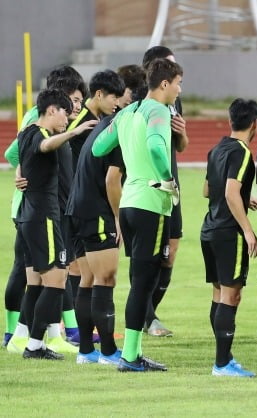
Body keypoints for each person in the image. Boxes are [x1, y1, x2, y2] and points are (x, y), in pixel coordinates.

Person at [92, 58, 183, 372]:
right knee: (143, 283)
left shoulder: (127, 112)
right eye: (177, 83)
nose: (179, 90)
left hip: (129, 202)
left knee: (139, 280)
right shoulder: (157, 110)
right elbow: (158, 147)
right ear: (163, 84)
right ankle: (130, 357)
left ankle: (132, 354)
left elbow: (98, 148)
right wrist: (166, 181)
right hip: (151, 203)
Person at [6, 67, 93, 352]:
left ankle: (23, 338)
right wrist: (75, 132)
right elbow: (46, 145)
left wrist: (21, 170)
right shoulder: (41, 133)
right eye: (66, 113)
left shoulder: (27, 132)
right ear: (53, 110)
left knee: (35, 281)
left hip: (32, 216)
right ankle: (36, 344)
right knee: (56, 280)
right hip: (44, 217)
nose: (68, 118)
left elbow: (26, 154)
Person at [67, 65, 147, 366]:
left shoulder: (105, 123)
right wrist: (118, 218)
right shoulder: (121, 127)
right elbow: (113, 179)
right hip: (95, 209)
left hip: (77, 207)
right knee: (106, 278)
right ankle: (109, 353)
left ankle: (87, 351)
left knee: (88, 278)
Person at [201, 98, 257, 377]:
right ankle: (223, 364)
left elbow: (208, 190)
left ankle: (223, 358)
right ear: (254, 124)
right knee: (231, 295)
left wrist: (242, 196)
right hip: (229, 233)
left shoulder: (217, 149)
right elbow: (228, 192)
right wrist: (248, 230)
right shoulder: (242, 152)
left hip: (209, 230)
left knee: (218, 294)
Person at [140, 46, 190, 337]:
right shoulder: (141, 104)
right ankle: (146, 318)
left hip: (173, 184)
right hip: (150, 187)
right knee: (148, 255)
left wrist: (182, 132)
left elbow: (179, 147)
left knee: (171, 252)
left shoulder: (173, 102)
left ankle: (149, 315)